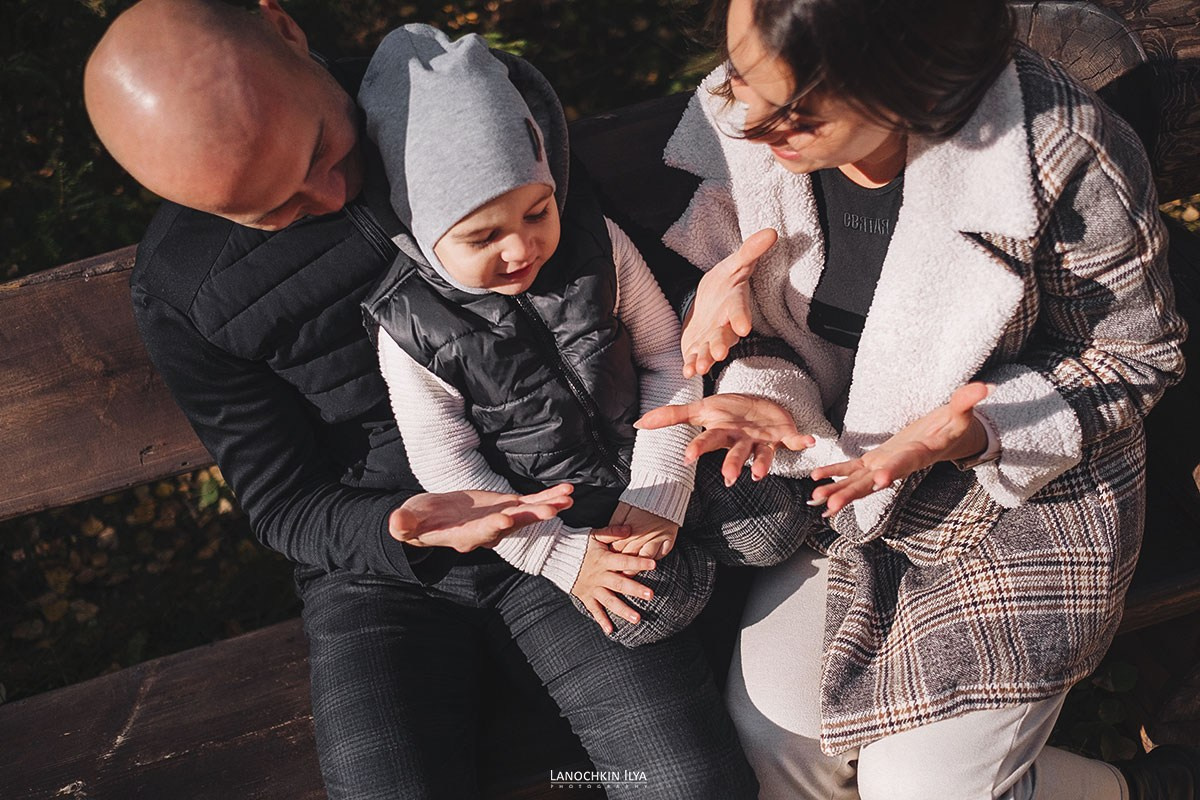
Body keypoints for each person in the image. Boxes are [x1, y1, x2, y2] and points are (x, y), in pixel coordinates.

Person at [82, 0, 760, 797]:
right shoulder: (185, 285)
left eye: (322, 151)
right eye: (278, 213)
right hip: (386, 576)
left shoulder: (455, 108)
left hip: (567, 503)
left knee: (679, 783)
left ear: (284, 27)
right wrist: (395, 531)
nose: (331, 196)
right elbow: (283, 503)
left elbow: (628, 294)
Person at [638, 0, 1195, 797]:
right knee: (776, 753)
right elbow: (744, 311)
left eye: (794, 108)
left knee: (924, 790)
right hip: (841, 475)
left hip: (1028, 490)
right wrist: (757, 376)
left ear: (906, 83)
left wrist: (970, 430)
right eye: (740, 79)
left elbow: (1134, 355)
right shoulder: (746, 128)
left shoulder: (1055, 150)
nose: (749, 121)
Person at [357, 24, 815, 645]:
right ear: (418, 230)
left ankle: (728, 564)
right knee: (649, 611)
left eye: (536, 212)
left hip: (663, 452)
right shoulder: (408, 327)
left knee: (772, 527)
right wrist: (563, 558)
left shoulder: (594, 244)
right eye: (482, 237)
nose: (521, 247)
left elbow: (665, 358)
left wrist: (662, 490)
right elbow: (450, 464)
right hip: (571, 513)